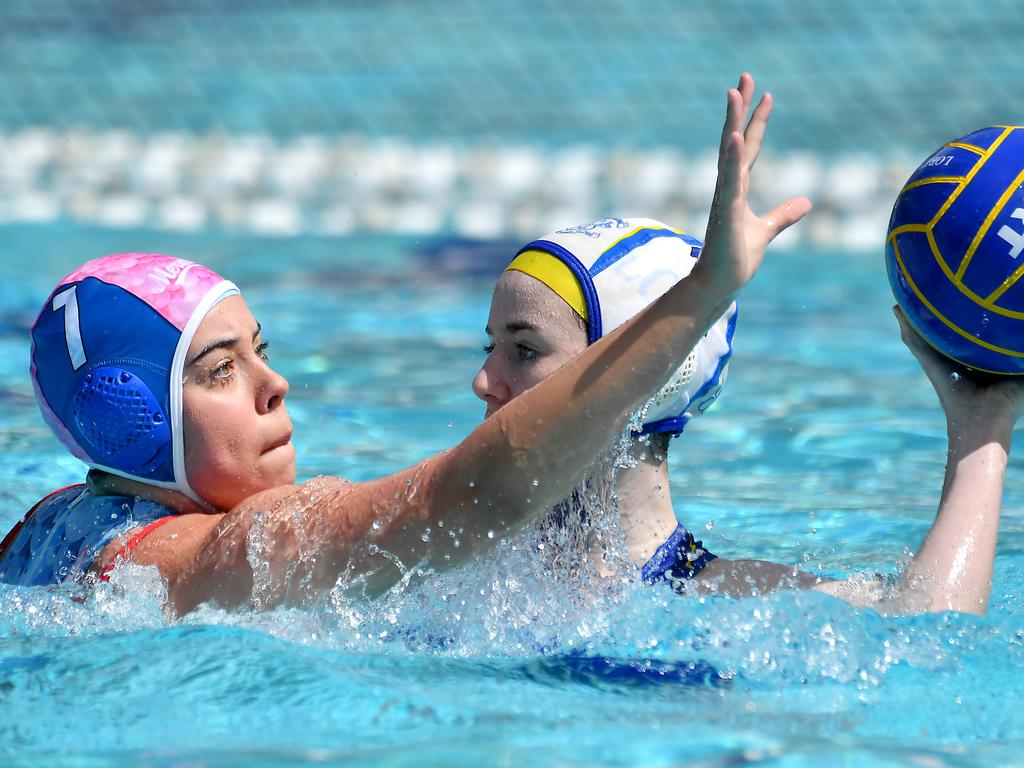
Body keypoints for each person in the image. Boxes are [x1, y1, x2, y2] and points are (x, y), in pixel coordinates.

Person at [0, 75, 812, 615]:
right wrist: (702, 296)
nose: (275, 384)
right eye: (219, 370)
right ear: (130, 423)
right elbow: (465, 501)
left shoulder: (57, 526)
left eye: (260, 349)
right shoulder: (197, 556)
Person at [470, 74, 1024, 615]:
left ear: (637, 377)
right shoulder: (440, 540)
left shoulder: (730, 600)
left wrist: (982, 426)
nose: (482, 382)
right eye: (489, 347)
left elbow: (928, 629)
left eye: (525, 351)